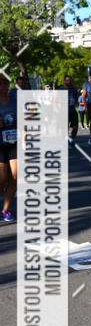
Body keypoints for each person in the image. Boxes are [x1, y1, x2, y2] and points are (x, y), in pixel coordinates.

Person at [0, 74, 18, 221]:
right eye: (1, 83)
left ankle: (5, 209)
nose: (4, 86)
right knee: (2, 179)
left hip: (14, 143)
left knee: (15, 176)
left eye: (6, 83)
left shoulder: (14, 100)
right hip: (0, 144)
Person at [58, 74, 80, 147]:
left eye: (70, 80)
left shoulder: (73, 89)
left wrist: (77, 104)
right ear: (64, 81)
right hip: (63, 111)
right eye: (67, 80)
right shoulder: (60, 89)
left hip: (72, 110)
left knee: (75, 127)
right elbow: (55, 100)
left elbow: (76, 99)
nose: (68, 81)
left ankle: (72, 139)